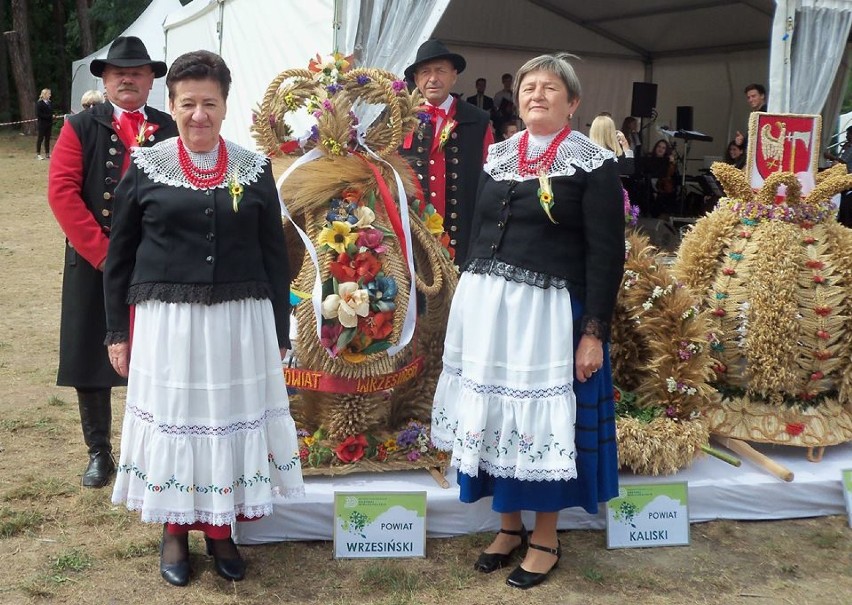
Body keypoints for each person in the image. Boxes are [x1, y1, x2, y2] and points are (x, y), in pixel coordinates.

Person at [104, 49, 304, 587]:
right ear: (170, 104)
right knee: (180, 418)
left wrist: (281, 334)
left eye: (209, 103)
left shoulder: (253, 167)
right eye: (187, 103)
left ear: (225, 105)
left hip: (239, 322)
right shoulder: (146, 167)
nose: (199, 115)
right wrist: (117, 334)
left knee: (224, 418)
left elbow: (274, 258)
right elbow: (118, 258)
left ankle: (221, 530)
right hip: (170, 324)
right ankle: (174, 528)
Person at [430, 52, 624, 590]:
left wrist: (593, 333)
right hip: (490, 313)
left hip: (546, 315)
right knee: (494, 414)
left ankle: (545, 538)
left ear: (573, 103)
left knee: (536, 422)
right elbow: (474, 229)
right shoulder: (497, 157)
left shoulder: (592, 164)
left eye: (550, 88)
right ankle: (508, 527)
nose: (536, 94)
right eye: (528, 87)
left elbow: (606, 255)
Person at [47, 36, 177, 490]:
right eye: (119, 71)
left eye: (138, 71)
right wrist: (104, 254)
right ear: (104, 78)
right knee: (91, 354)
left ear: (150, 81)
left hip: (156, 265)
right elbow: (61, 193)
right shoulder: (79, 126)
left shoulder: (169, 127)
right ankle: (100, 452)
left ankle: (153, 449)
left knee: (158, 354)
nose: (128, 77)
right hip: (94, 262)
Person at [401, 39, 494, 264]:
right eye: (425, 72)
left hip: (464, 237)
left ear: (454, 75)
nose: (433, 78)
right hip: (414, 239)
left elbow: (492, 178)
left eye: (440, 71)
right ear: (416, 80)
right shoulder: (401, 120)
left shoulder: (478, 120)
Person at [641, 138, 678, 217]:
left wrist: (672, 163)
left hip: (663, 186)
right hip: (650, 184)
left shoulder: (668, 161)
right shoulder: (649, 158)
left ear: (666, 150)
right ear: (655, 148)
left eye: (663, 148)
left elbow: (673, 176)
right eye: (659, 146)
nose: (660, 149)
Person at [734, 83, 767, 148]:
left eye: (753, 96)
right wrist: (743, 141)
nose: (750, 100)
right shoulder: (754, 114)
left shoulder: (767, 114)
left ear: (762, 96)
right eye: (748, 97)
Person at [36, 88, 53, 159]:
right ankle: (38, 154)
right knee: (40, 138)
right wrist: (49, 116)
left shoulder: (49, 103)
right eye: (49, 94)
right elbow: (39, 114)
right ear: (45, 94)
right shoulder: (39, 103)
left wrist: (52, 116)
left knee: (47, 138)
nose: (50, 95)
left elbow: (51, 112)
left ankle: (47, 153)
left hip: (49, 123)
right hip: (42, 123)